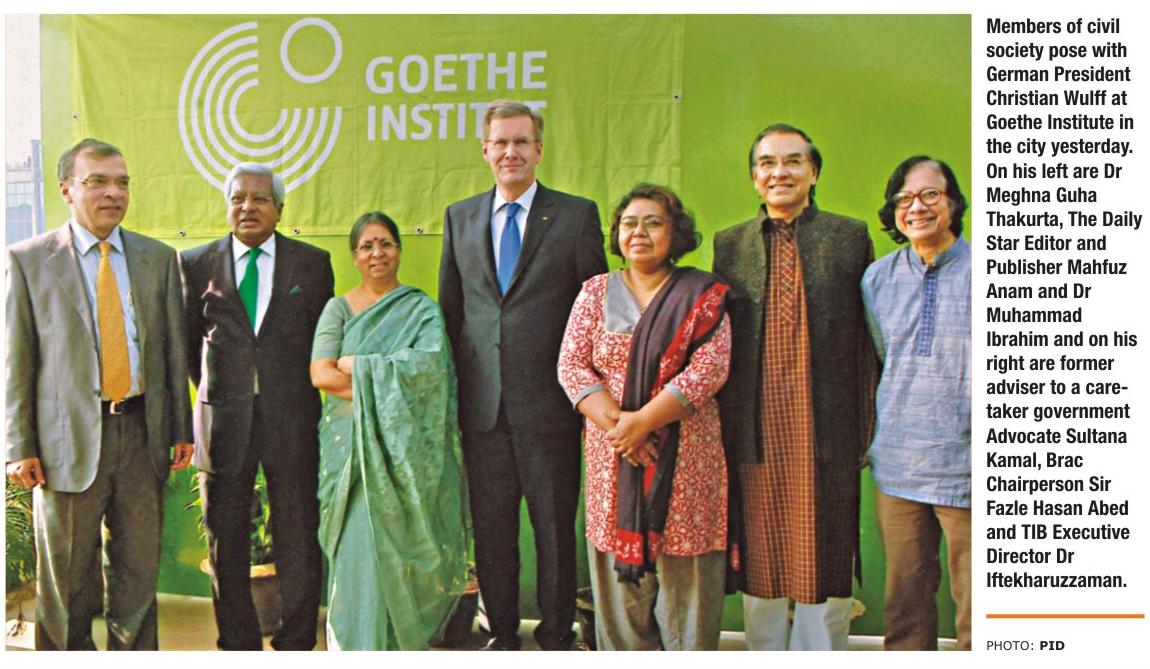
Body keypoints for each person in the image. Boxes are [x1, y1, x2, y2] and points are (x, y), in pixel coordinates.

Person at [5, 138, 194, 650]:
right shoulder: (29, 261)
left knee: (138, 573)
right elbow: (17, 361)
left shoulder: (158, 259)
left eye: (122, 183)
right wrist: (18, 446)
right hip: (64, 444)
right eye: (98, 182)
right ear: (66, 189)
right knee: (65, 579)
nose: (114, 193)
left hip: (142, 436)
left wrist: (180, 428)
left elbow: (172, 352)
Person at [438, 100, 607, 650]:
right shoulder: (459, 217)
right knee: (492, 532)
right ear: (485, 150)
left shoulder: (576, 216)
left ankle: (557, 636)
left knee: (555, 530)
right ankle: (503, 636)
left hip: (552, 407)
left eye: (520, 141)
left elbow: (596, 312)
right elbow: (452, 312)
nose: (510, 152)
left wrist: (590, 397)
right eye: (500, 142)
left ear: (539, 149)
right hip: (483, 411)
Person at [712, 123, 877, 651]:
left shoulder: (849, 237)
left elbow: (865, 342)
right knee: (759, 549)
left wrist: (866, 426)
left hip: (825, 425)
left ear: (814, 172)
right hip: (755, 427)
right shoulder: (730, 244)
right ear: (754, 177)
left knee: (825, 547)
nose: (778, 172)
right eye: (766, 163)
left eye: (792, 161)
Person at [557, 184, 731, 650]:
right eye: (629, 223)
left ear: (676, 234)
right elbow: (571, 366)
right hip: (613, 459)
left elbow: (710, 368)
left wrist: (643, 423)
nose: (639, 232)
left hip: (686, 462)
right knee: (620, 600)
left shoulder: (701, 293)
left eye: (653, 223)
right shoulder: (595, 292)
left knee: (686, 589)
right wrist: (622, 428)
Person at [181, 162, 334, 650]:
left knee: (297, 533)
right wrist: (221, 395)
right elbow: (189, 346)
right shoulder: (195, 263)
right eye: (238, 198)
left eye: (260, 198)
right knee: (224, 538)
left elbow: (321, 342)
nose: (247, 207)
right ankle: (237, 642)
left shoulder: (312, 263)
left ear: (279, 209)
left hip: (292, 421)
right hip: (223, 423)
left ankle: (296, 641)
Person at [310, 212, 470, 650]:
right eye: (366, 246)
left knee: (400, 554)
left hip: (405, 456)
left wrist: (361, 367)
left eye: (385, 243)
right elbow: (322, 374)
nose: (377, 253)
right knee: (357, 548)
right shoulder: (338, 309)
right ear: (355, 256)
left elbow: (431, 374)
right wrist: (384, 388)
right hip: (350, 452)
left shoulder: (421, 310)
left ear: (399, 250)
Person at [863, 156, 971, 651]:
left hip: (970, 463)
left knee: (980, 605)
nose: (917, 207)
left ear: (953, 203)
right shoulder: (877, 279)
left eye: (931, 194)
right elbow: (881, 360)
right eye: (904, 198)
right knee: (904, 604)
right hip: (900, 463)